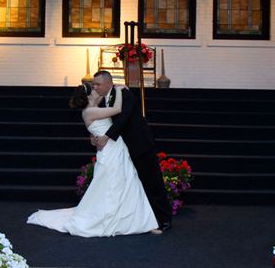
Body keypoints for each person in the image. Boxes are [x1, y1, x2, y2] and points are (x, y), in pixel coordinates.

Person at [26, 83, 159, 237]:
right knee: (113, 187)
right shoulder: (91, 111)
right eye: (94, 89)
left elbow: (98, 125)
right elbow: (117, 109)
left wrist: (117, 87)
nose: (97, 90)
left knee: (129, 184)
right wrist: (118, 90)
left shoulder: (93, 109)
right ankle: (116, 219)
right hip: (110, 153)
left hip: (116, 150)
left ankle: (142, 222)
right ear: (89, 96)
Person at [91, 70, 172, 234]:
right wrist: (95, 137)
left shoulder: (124, 94)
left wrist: (106, 137)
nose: (95, 87)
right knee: (135, 184)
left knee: (151, 181)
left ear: (108, 83)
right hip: (122, 149)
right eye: (94, 84)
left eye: (98, 84)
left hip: (140, 145)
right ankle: (143, 219)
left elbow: (124, 118)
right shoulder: (102, 101)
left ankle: (163, 220)